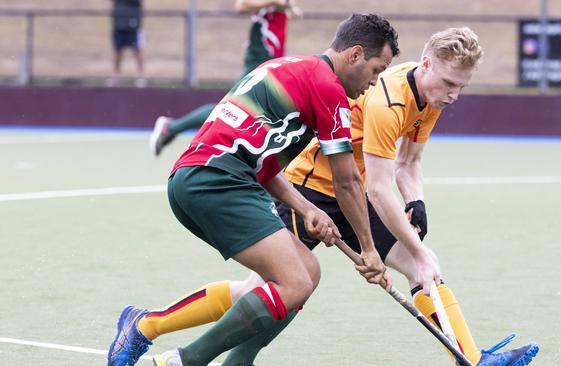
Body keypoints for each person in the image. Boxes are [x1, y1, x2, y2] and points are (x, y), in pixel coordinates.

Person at [228, 27, 538, 366]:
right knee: (256, 291)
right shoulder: (388, 101)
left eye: (460, 87)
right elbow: (379, 188)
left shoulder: (431, 96)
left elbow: (408, 163)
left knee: (423, 273)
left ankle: (472, 358)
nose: (453, 96)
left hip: (354, 193)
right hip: (311, 187)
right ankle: (159, 324)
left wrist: (415, 202)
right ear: (426, 65)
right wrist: (418, 251)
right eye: (449, 84)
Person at [107, 13, 400, 366]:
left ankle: (236, 360)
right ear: (354, 55)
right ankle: (183, 361)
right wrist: (369, 251)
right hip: (217, 182)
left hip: (207, 179)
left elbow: (264, 166)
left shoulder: (292, 68)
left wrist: (306, 207)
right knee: (294, 282)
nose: (374, 82)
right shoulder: (329, 89)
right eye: (376, 70)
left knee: (308, 272)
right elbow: (348, 180)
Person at [148, 0, 301, 156]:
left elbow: (284, 12)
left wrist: (288, 8)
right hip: (260, 53)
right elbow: (242, 5)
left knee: (253, 107)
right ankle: (171, 127)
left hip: (271, 55)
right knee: (231, 106)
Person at [107, 0, 146, 88]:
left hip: (133, 22)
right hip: (119, 22)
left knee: (137, 50)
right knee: (117, 50)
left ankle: (140, 76)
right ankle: (116, 75)